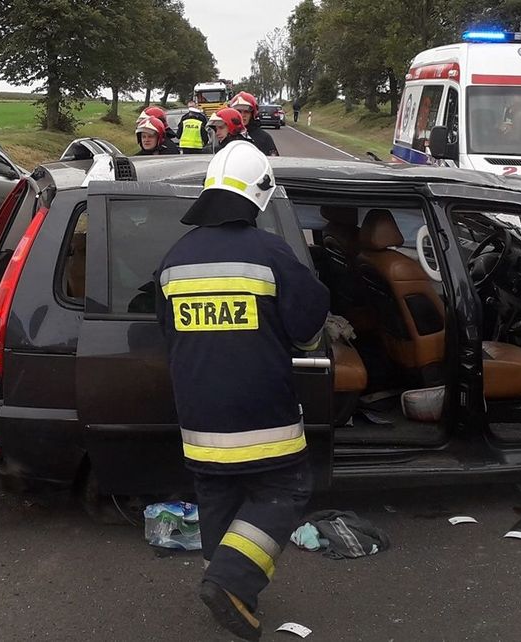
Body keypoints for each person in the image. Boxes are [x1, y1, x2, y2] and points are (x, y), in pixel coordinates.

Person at [156, 141, 329, 641]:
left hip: (199, 422)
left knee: (219, 497)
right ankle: (228, 580)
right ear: (258, 196)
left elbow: (168, 334)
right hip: (263, 417)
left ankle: (234, 592)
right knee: (286, 489)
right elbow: (307, 324)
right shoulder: (270, 253)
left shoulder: (174, 260)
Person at [229, 91, 279, 156]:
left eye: (246, 112)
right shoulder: (227, 136)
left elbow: (274, 162)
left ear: (252, 114)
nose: (242, 115)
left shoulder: (264, 138)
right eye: (239, 111)